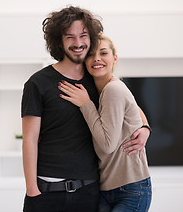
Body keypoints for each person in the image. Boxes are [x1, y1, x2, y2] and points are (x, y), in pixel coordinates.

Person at [21, 6, 151, 212]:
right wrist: (32, 190)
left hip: (89, 193)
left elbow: (131, 106)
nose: (78, 43)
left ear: (90, 37)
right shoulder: (38, 83)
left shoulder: (98, 79)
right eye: (70, 37)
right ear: (59, 41)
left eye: (83, 35)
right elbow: (29, 138)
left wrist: (145, 128)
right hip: (47, 192)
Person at [58, 34, 152, 212]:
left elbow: (107, 145)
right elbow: (134, 107)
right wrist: (145, 127)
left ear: (114, 58)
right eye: (91, 54)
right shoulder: (96, 89)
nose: (97, 59)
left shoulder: (113, 88)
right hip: (105, 188)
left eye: (103, 53)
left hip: (130, 189)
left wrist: (86, 104)